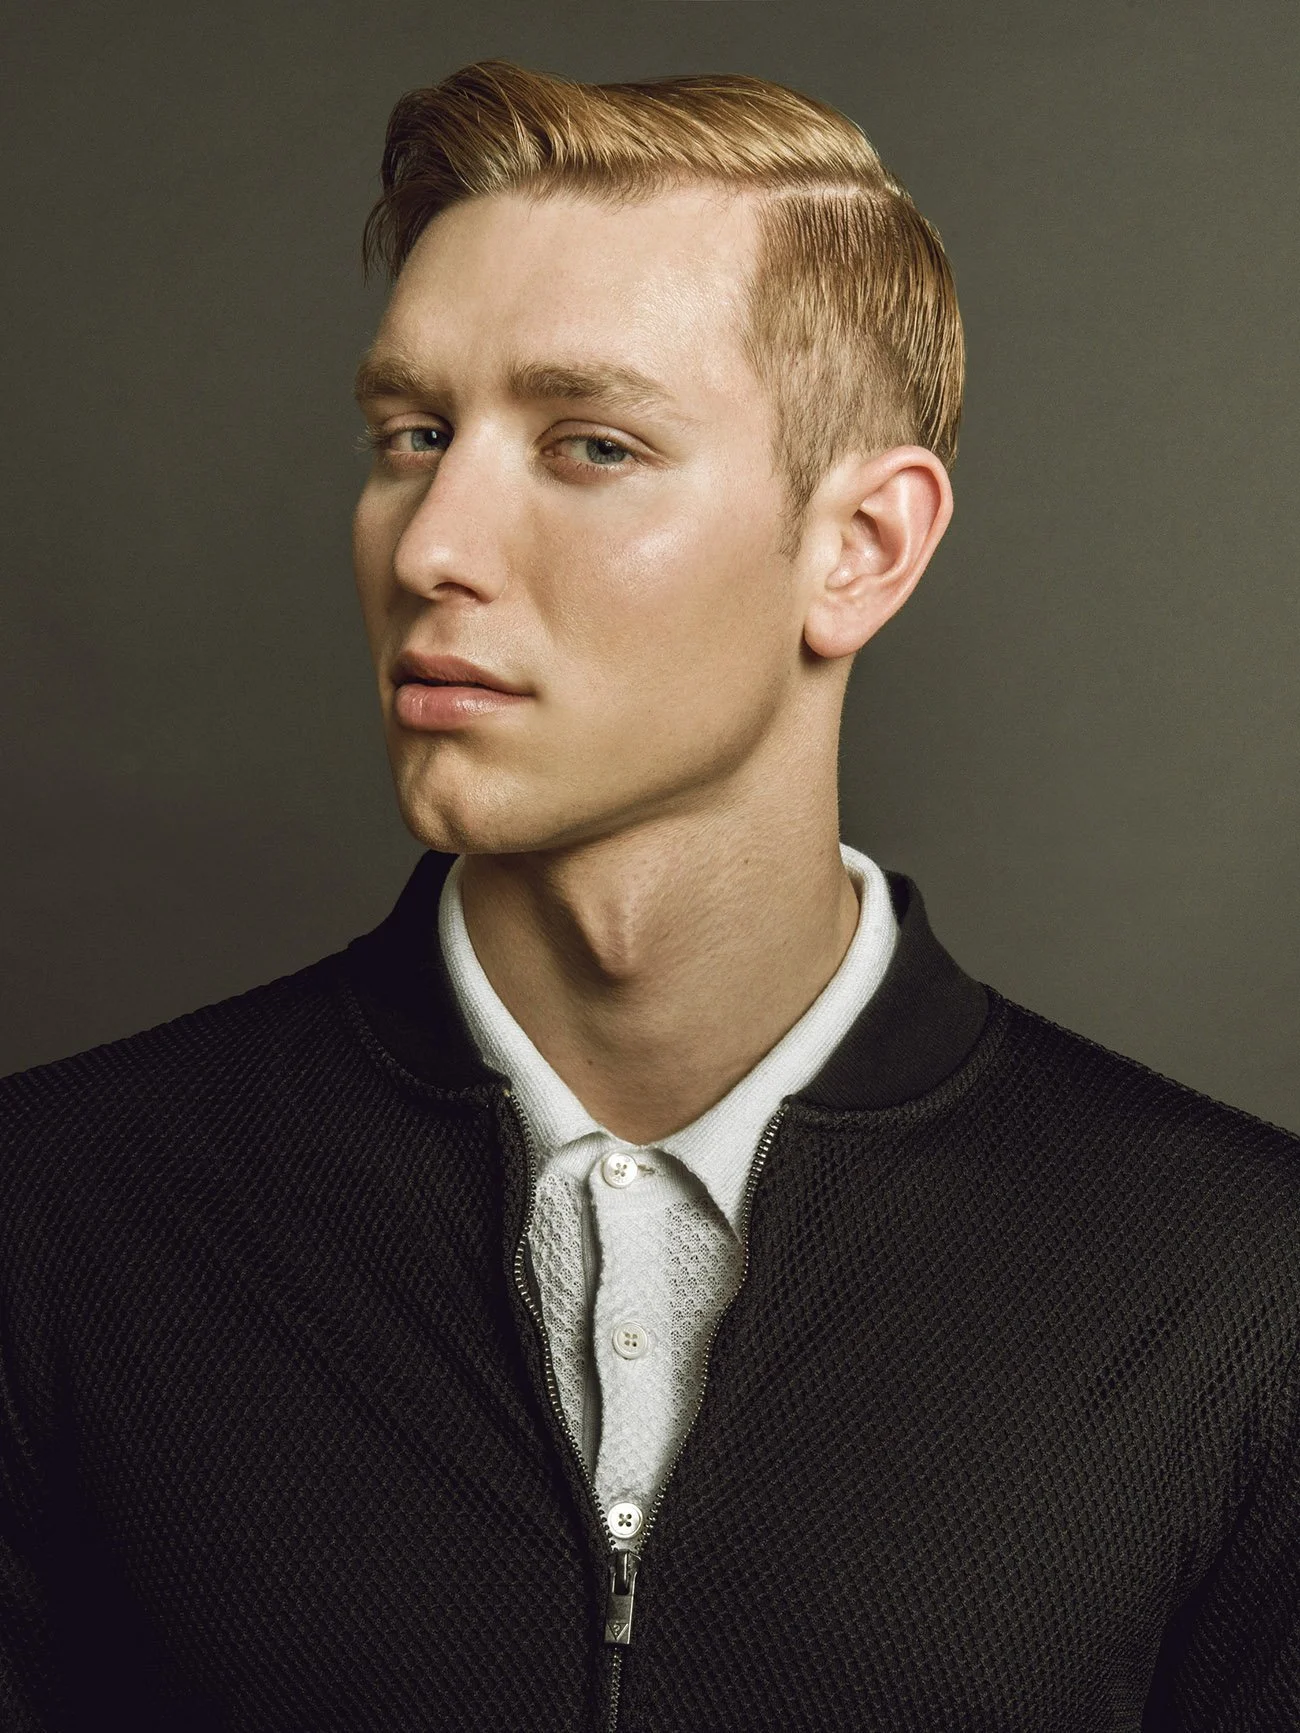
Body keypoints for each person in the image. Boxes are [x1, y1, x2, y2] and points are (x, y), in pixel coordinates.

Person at [1, 55, 1296, 1733]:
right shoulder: (52, 1224)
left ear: (862, 548)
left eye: (591, 445)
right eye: (412, 435)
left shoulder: (1242, 1294)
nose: (430, 545)